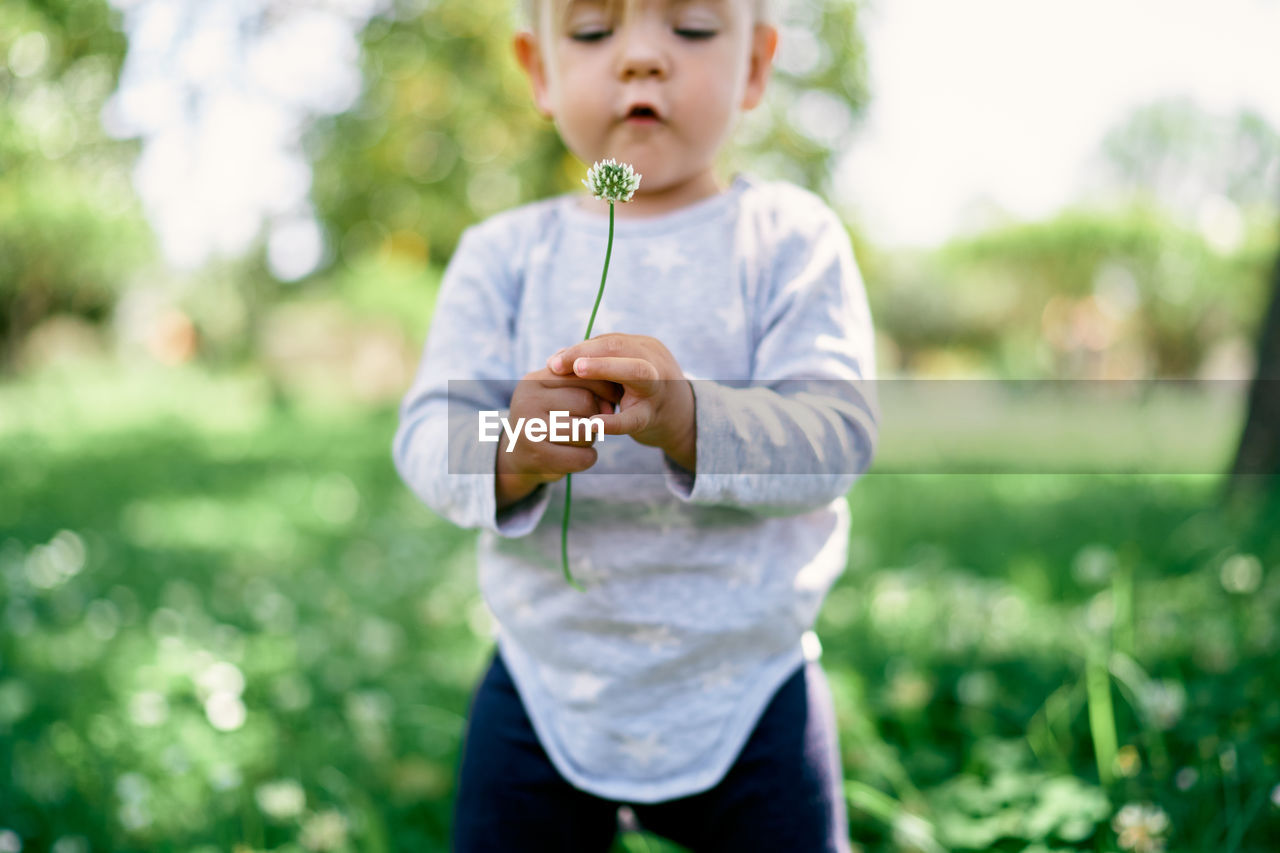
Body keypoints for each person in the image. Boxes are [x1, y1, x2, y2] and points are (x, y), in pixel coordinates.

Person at [392, 0, 878, 849]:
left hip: (748, 680)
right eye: (591, 32)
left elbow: (835, 433)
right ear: (539, 70)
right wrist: (512, 449)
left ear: (757, 67)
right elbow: (428, 434)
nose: (642, 58)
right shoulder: (502, 254)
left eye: (691, 28)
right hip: (545, 675)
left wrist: (693, 419)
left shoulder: (790, 242)